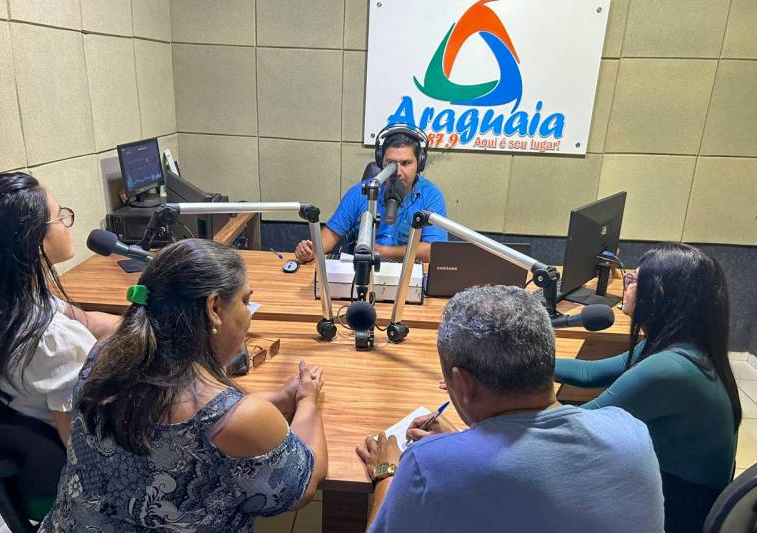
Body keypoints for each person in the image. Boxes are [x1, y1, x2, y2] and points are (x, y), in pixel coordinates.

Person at [40, 239, 327, 532]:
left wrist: (276, 398)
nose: (248, 314)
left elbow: (183, 407)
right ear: (214, 308)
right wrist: (307, 401)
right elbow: (303, 484)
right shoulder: (240, 417)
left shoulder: (104, 352)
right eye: (245, 301)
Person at [357, 285, 664, 532]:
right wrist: (464, 441)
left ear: (462, 384)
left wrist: (386, 474)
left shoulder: (428, 465)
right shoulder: (631, 432)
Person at [554, 243, 741, 532]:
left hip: (679, 514)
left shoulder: (669, 370)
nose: (626, 286)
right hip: (678, 493)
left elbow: (575, 429)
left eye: (633, 280)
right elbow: (589, 372)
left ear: (659, 294)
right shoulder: (683, 343)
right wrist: (526, 361)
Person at [0, 173, 119, 444]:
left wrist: (137, 323)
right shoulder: (56, 343)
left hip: (2, 456)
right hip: (61, 463)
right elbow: (80, 450)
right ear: (34, 240)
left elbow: (86, 320)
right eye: (60, 217)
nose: (67, 224)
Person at [295, 124, 447, 263]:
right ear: (381, 162)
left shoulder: (431, 196)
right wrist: (310, 250)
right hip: (365, 271)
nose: (398, 172)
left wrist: (383, 252)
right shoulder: (360, 192)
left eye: (406, 163)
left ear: (420, 163)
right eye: (391, 163)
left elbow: (433, 251)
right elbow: (328, 237)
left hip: (408, 273)